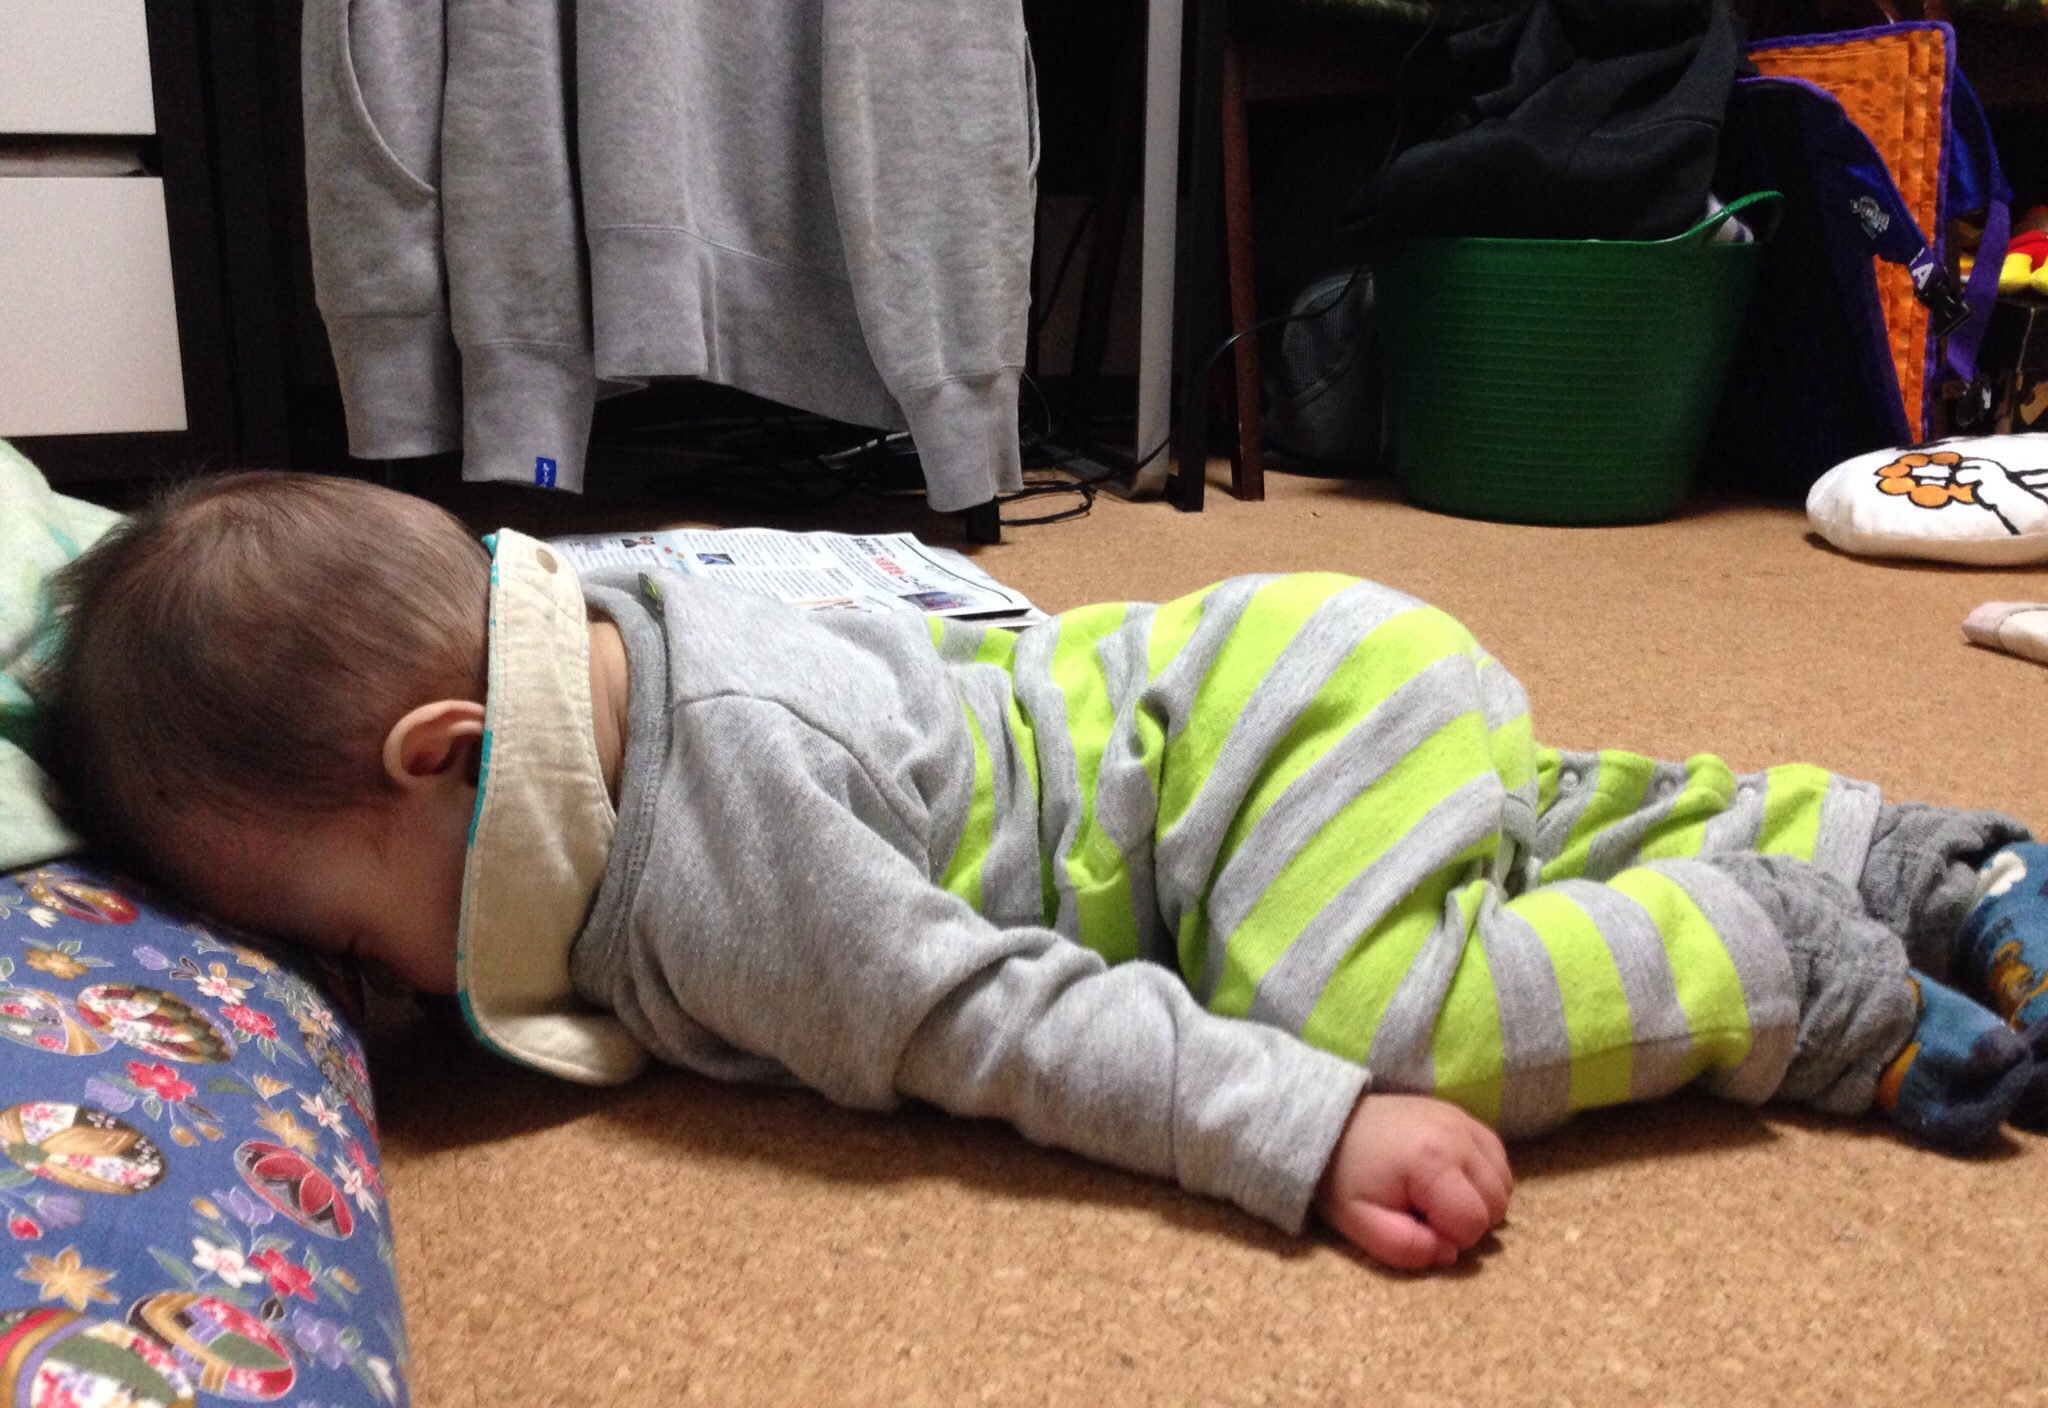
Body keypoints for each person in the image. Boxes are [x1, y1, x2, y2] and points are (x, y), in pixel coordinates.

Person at [36, 473, 2048, 1272]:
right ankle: (1903, 854)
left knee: (1373, 1011)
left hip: (1261, 729)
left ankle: (1795, 970)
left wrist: (1304, 1128)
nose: (372, 994)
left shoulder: (724, 865)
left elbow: (1000, 1019)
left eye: (343, 937)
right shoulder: (610, 621)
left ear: (453, 757)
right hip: (1291, 682)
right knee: (1484, 828)